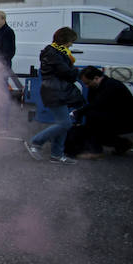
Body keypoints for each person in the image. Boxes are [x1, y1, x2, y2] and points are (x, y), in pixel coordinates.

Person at [23, 27, 82, 165]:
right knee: (65, 123)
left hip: (58, 90)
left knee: (63, 123)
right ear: (64, 40)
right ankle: (36, 143)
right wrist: (74, 71)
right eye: (70, 41)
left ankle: (57, 154)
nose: (71, 45)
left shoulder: (56, 52)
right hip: (55, 90)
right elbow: (67, 72)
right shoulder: (54, 53)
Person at [67, 66, 133, 157]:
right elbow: (92, 105)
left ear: (96, 78)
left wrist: (79, 112)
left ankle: (96, 151)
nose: (86, 86)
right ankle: (122, 144)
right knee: (90, 126)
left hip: (130, 120)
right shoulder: (95, 87)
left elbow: (97, 104)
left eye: (87, 83)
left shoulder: (111, 86)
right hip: (115, 116)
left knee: (94, 124)